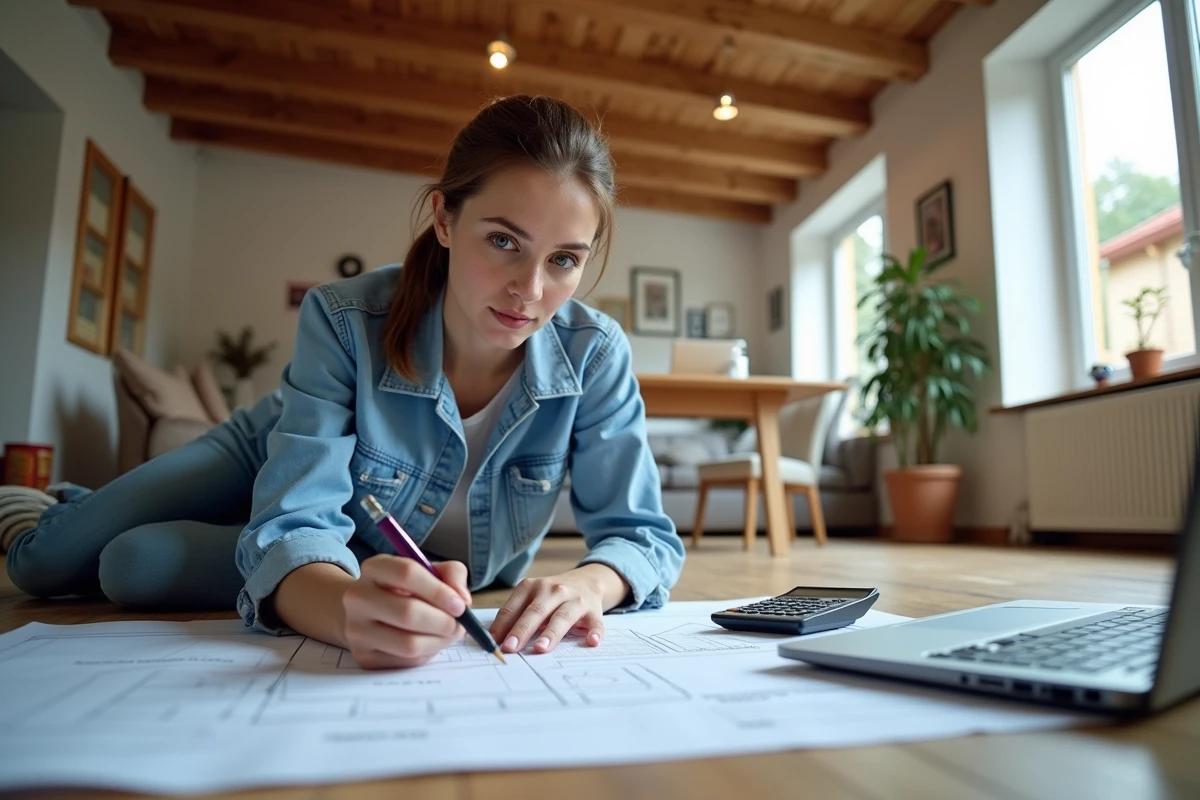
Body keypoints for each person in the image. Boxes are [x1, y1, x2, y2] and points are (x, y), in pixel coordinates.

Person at [5, 94, 684, 669]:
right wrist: (340, 612)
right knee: (42, 565)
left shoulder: (595, 354)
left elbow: (643, 535)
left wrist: (592, 585)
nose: (530, 291)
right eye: (503, 240)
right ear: (446, 220)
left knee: (133, 565)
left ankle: (114, 514)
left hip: (366, 545)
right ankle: (48, 506)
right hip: (273, 451)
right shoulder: (345, 316)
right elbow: (300, 513)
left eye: (564, 259)